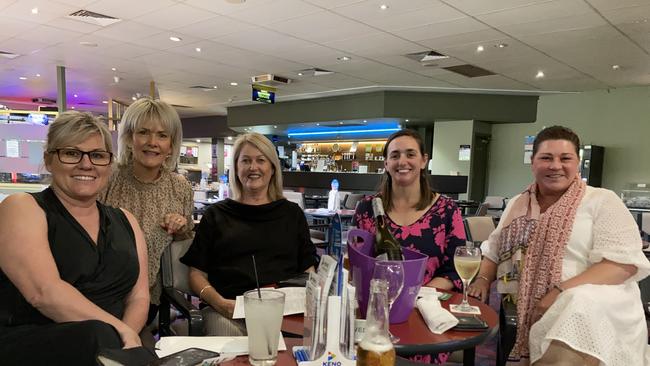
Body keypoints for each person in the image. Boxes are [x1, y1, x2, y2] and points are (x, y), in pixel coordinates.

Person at [468, 126, 650, 365]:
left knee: (578, 304)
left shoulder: (602, 201)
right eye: (546, 158)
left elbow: (622, 265)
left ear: (577, 163)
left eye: (565, 158)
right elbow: (493, 251)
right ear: (533, 163)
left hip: (596, 308)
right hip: (528, 305)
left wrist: (559, 293)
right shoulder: (516, 205)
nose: (555, 166)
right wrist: (482, 279)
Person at [0, 111, 149, 365]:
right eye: (71, 153)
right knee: (97, 335)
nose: (86, 164)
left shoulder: (126, 220)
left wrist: (127, 339)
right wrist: (118, 332)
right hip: (35, 342)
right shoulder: (21, 207)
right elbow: (44, 293)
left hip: (110, 344)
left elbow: (139, 296)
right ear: (49, 160)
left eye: (98, 155)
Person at [181, 132, 318, 336]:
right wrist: (218, 303)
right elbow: (196, 274)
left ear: (272, 168)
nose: (253, 167)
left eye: (261, 160)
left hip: (285, 313)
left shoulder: (292, 214)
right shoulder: (215, 215)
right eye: (245, 161)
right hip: (228, 312)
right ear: (236, 168)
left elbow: (308, 271)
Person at [353, 129, 466, 364]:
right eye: (395, 156)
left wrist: (412, 298)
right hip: (376, 316)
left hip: (424, 314)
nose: (402, 161)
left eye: (410, 154)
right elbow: (356, 267)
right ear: (386, 163)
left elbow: (455, 270)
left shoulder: (447, 210)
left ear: (424, 160)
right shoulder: (367, 209)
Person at [100, 98, 194, 324]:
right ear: (130, 138)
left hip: (150, 296)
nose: (153, 142)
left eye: (162, 135)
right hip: (102, 291)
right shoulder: (108, 178)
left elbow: (186, 239)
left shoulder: (180, 187)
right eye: (144, 132)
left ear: (171, 145)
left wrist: (180, 226)